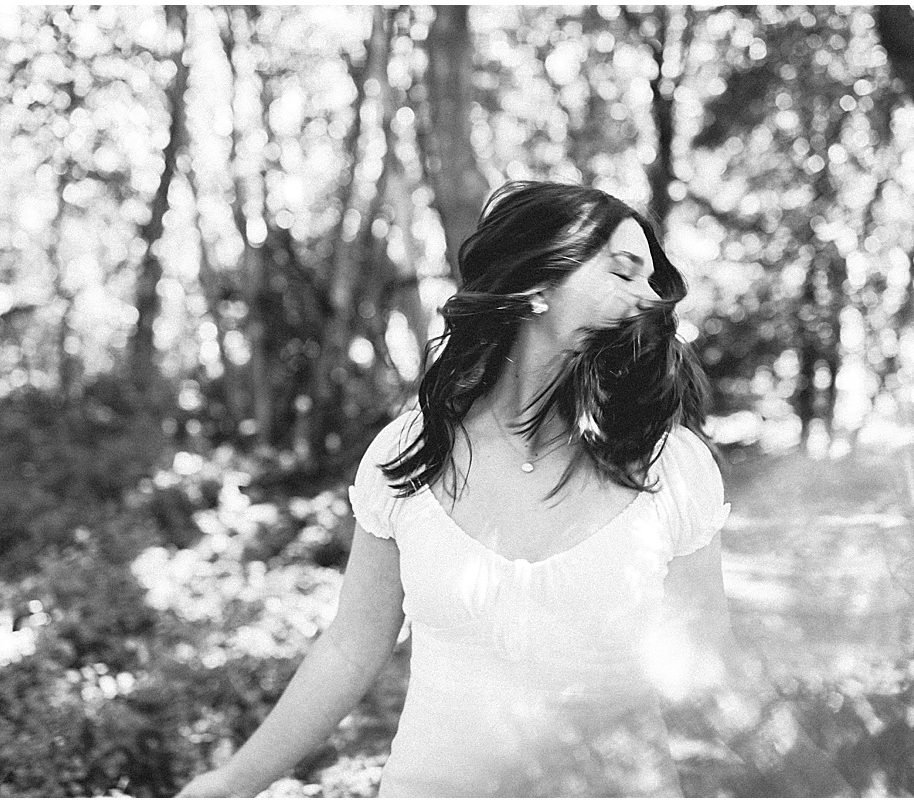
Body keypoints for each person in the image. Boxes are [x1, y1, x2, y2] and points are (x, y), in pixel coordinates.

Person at [179, 181, 751, 797]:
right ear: (537, 284)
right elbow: (350, 649)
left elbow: (709, 668)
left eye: (651, 280)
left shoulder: (670, 465)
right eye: (623, 272)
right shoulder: (410, 453)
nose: (651, 299)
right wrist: (234, 781)